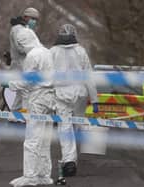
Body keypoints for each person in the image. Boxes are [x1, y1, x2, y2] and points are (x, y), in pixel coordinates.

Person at [7, 26, 55, 187]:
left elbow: (26, 81)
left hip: (38, 98)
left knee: (32, 140)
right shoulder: (47, 52)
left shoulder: (32, 56)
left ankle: (30, 177)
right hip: (50, 98)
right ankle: (44, 175)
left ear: (22, 42)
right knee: (45, 139)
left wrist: (10, 84)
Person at [50, 24, 99, 177]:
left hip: (61, 94)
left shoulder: (52, 52)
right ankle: (71, 159)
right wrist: (95, 99)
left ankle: (69, 159)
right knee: (76, 125)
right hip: (79, 93)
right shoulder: (80, 51)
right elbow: (88, 76)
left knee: (64, 128)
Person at [5, 7, 40, 112]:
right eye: (32, 18)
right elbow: (20, 48)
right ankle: (23, 118)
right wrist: (35, 51)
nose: (34, 21)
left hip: (25, 65)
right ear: (25, 17)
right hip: (19, 66)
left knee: (21, 95)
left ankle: (14, 118)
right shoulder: (17, 29)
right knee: (25, 91)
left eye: (36, 20)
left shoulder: (25, 29)